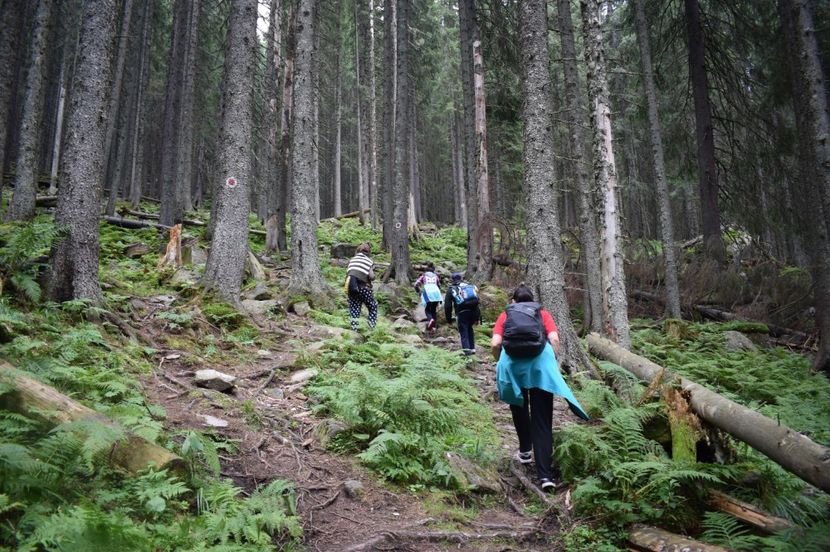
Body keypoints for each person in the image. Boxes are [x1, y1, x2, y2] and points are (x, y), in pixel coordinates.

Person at [491, 284, 589, 491]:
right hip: (540, 368)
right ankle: (546, 476)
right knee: (542, 420)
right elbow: (554, 339)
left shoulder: (506, 314)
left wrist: (499, 360)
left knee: (518, 406)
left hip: (513, 367)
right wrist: (550, 359)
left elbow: (495, 343)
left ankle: (525, 451)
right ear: (533, 300)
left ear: (514, 301)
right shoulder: (542, 313)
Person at [444, 272, 481, 356]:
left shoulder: (451, 289)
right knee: (469, 328)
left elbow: (447, 306)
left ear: (452, 279)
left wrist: (448, 319)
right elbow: (477, 300)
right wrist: (478, 317)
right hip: (474, 311)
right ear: (461, 278)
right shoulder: (470, 286)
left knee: (463, 330)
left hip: (462, 312)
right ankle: (472, 349)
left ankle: (467, 352)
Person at [346, 243, 378, 331]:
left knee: (354, 308)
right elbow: (371, 276)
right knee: (373, 306)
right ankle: (371, 327)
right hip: (364, 288)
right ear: (368, 252)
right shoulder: (368, 261)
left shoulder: (352, 260)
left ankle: (354, 329)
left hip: (351, 287)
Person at [414, 262, 442, 332]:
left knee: (427, 309)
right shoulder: (436, 276)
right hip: (436, 292)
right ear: (433, 270)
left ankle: (430, 320)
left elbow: (416, 284)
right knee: (433, 309)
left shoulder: (424, 276)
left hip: (427, 291)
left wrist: (419, 292)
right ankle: (434, 327)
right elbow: (439, 286)